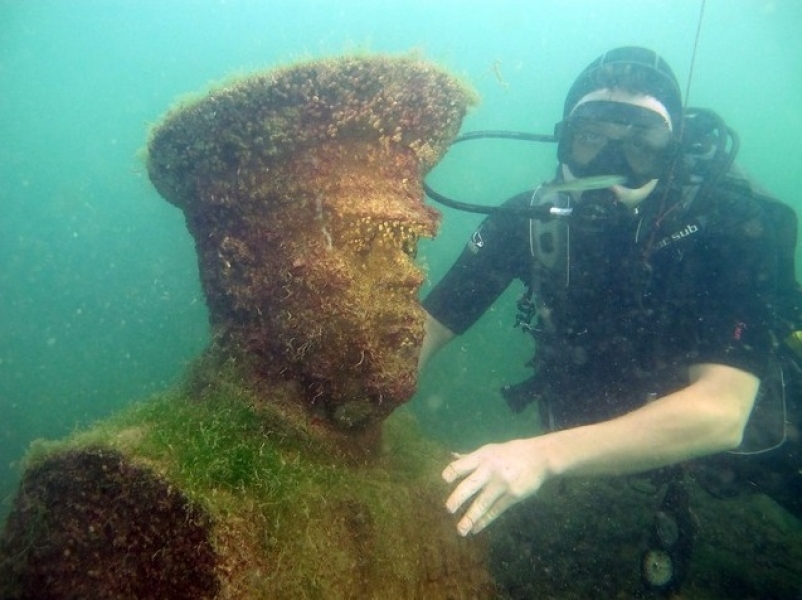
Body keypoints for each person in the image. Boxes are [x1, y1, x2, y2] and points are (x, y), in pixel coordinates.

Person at [420, 46, 802, 592]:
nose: (610, 164)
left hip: (755, 454)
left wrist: (542, 457)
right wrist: (367, 394)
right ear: (564, 140)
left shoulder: (732, 229)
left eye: (640, 142)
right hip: (607, 449)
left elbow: (721, 412)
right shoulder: (526, 221)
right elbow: (431, 324)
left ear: (672, 150)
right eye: (592, 137)